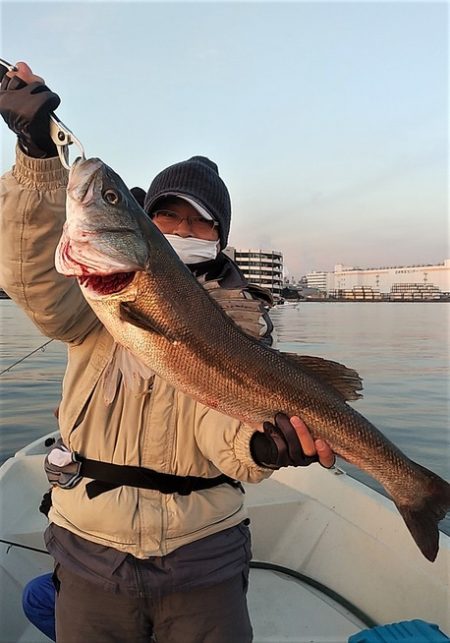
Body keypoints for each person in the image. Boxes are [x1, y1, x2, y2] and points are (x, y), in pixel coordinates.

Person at [0, 62, 335, 643]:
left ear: (219, 238)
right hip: (88, 548)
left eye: (200, 221)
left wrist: (260, 445)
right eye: (167, 214)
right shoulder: (94, 299)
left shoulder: (243, 322)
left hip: (204, 559)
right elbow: (31, 278)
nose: (183, 226)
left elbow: (219, 430)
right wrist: (34, 157)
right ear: (146, 225)